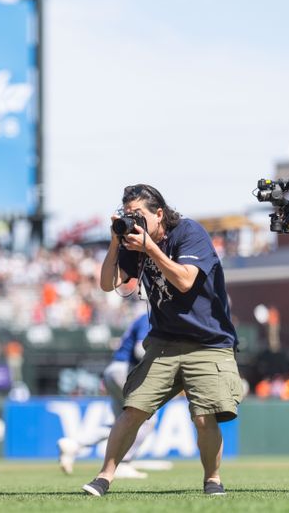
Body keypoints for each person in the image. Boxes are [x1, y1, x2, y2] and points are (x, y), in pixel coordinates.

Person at [84, 184, 242, 498]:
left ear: (159, 214)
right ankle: (103, 477)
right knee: (133, 410)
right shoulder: (133, 243)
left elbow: (184, 280)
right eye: (128, 216)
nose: (133, 222)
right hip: (164, 342)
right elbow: (106, 284)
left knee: (203, 415)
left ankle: (213, 479)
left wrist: (150, 249)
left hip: (207, 341)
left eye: (138, 216)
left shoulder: (188, 232)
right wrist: (117, 242)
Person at [57, 312, 160, 478]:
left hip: (115, 370)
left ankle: (75, 444)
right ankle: (123, 463)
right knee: (147, 419)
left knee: (121, 423)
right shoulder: (150, 316)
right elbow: (140, 350)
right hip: (126, 371)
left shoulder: (144, 316)